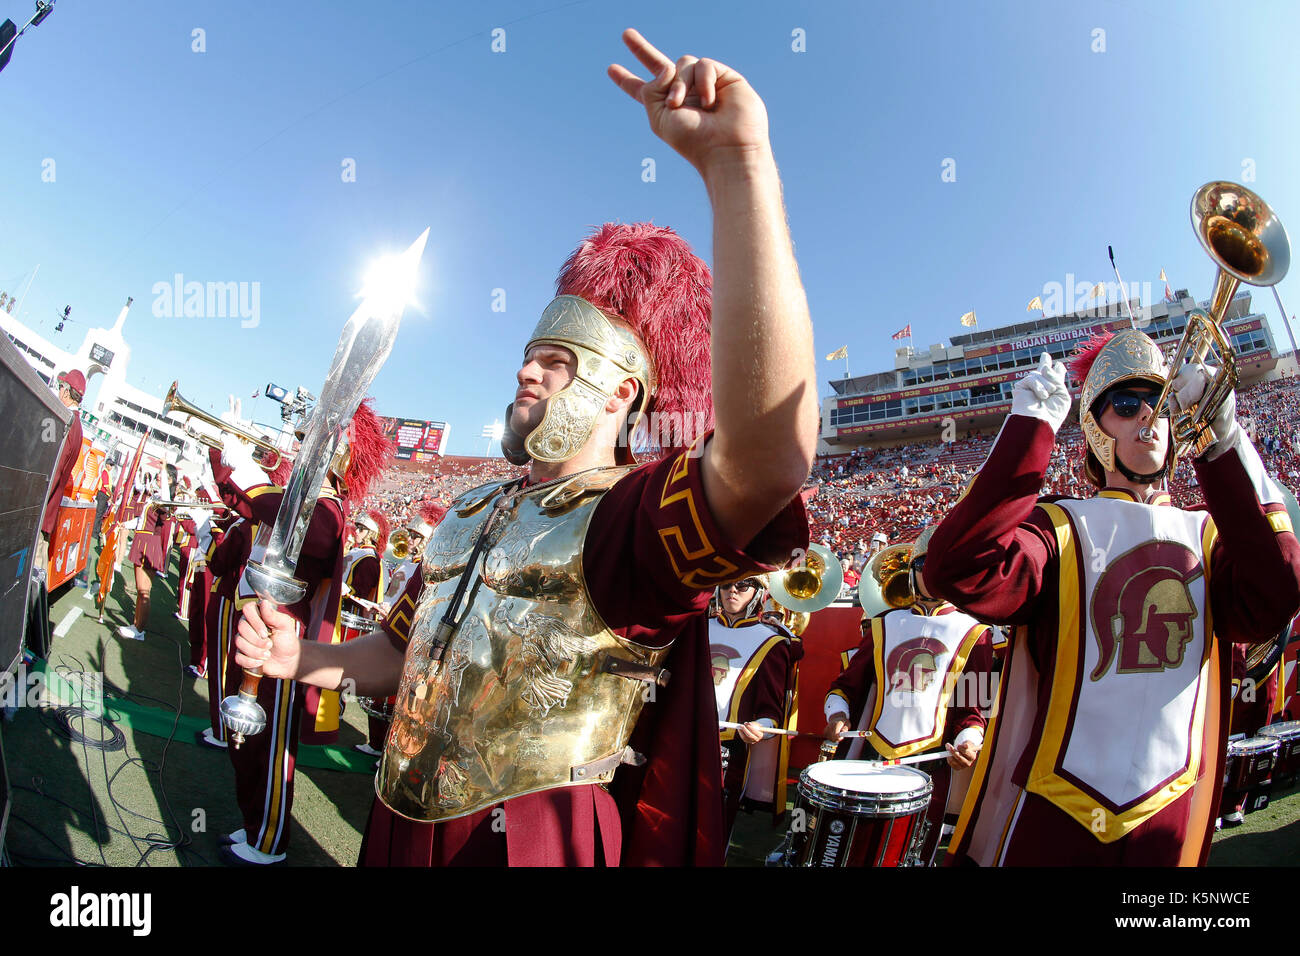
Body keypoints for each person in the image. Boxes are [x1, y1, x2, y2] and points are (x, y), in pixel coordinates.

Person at [235, 28, 816, 868]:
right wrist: (308, 657)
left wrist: (738, 169)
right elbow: (399, 655)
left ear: (623, 391)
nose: (526, 371)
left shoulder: (636, 523)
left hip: (532, 842)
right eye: (528, 354)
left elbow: (769, 458)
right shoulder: (469, 509)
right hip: (401, 819)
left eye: (557, 361)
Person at [924, 332, 1300, 866]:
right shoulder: (1060, 526)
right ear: (1096, 431)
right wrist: (1029, 432)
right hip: (1060, 805)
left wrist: (1225, 441)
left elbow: (1278, 590)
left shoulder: (1211, 534)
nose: (1147, 414)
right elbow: (958, 567)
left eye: (1162, 403)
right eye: (1126, 405)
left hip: (1170, 801)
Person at [213, 404, 389, 865]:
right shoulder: (302, 496)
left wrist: (247, 474)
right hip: (258, 627)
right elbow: (248, 506)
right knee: (247, 744)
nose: (298, 444)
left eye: (313, 438)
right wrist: (226, 465)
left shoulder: (327, 506)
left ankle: (268, 839)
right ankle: (254, 821)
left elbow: (304, 527)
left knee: (269, 746)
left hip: (284, 640)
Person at [823, 526, 994, 865]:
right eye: (924, 564)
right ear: (913, 572)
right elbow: (845, 685)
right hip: (873, 754)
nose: (933, 573)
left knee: (912, 856)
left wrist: (970, 740)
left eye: (943, 564)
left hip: (931, 762)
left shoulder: (977, 632)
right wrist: (837, 714)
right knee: (857, 851)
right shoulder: (884, 623)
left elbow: (977, 706)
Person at [710, 577, 802, 850]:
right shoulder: (697, 629)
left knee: (714, 827)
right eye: (726, 584)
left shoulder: (771, 641)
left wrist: (760, 726)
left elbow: (770, 708)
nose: (732, 591)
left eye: (742, 585)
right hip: (684, 737)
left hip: (730, 748)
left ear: (759, 592)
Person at [115, 465, 180, 641]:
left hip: (149, 544)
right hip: (142, 540)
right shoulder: (156, 496)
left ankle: (139, 629)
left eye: (162, 474)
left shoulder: (166, 499)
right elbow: (141, 520)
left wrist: (165, 464)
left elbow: (166, 502)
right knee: (140, 589)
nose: (158, 476)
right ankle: (136, 625)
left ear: (170, 479)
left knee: (144, 591)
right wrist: (125, 524)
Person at [37, 368, 86, 574]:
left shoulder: (67, 421)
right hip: (48, 510)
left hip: (42, 510)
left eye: (61, 387)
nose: (59, 391)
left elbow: (53, 470)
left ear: (66, 391)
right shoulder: (78, 426)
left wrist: (35, 504)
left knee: (33, 571)